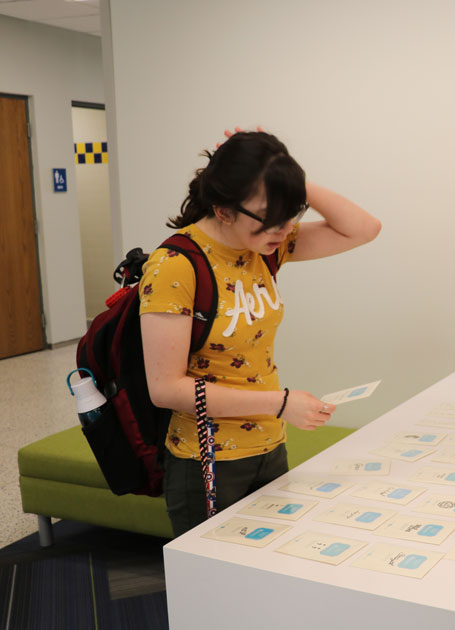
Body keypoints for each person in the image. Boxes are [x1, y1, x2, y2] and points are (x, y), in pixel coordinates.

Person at [139, 130, 381, 536]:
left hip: (270, 447)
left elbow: (364, 228)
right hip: (208, 460)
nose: (284, 229)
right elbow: (165, 389)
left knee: (268, 584)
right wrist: (280, 404)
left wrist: (282, 175)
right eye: (270, 217)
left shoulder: (267, 247)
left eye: (292, 214)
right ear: (223, 208)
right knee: (215, 591)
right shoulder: (175, 265)